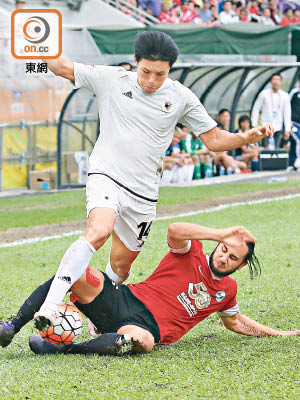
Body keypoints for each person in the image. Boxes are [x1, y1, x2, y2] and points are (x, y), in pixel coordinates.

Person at [34, 30, 273, 331]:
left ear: (169, 70)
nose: (150, 80)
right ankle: (51, 306)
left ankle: (99, 317)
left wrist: (245, 137)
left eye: (159, 74)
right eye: (146, 71)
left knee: (121, 266)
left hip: (144, 193)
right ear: (136, 62)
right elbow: (62, 67)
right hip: (107, 173)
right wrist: (34, 38)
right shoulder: (111, 79)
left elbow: (213, 139)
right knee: (99, 230)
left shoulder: (180, 96)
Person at [1, 223, 299, 356]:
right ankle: (12, 326)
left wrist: (277, 333)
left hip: (145, 328)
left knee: (139, 342)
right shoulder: (191, 250)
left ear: (241, 266)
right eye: (222, 249)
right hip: (123, 299)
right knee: (75, 272)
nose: (223, 257)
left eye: (232, 257)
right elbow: (174, 231)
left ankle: (61, 348)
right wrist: (219, 233)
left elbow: (235, 322)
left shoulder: (228, 291)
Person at [251, 73, 291, 148]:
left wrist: (287, 129)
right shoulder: (263, 94)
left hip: (278, 127)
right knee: (265, 149)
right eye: (274, 79)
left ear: (281, 81)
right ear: (271, 81)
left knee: (278, 149)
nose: (276, 82)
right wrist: (254, 124)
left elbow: (287, 113)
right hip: (265, 126)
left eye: (278, 80)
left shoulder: (285, 95)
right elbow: (256, 109)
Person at [289, 75, 300, 169]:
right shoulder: (294, 92)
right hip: (293, 123)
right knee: (298, 139)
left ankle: (292, 163)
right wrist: (288, 122)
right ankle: (298, 161)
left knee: (294, 143)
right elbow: (287, 106)